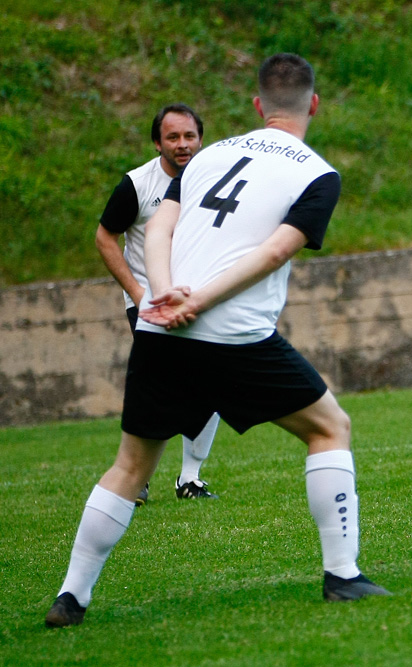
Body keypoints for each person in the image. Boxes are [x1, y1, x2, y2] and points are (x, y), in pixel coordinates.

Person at [45, 53, 390, 628]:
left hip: (161, 330)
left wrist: (163, 293)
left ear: (256, 105)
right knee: (330, 429)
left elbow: (158, 224)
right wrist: (200, 302)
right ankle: (343, 577)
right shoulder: (317, 174)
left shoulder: (210, 155)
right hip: (235, 338)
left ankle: (71, 597)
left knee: (129, 467)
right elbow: (277, 250)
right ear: (315, 104)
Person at [96, 103, 220, 504]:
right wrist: (136, 293)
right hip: (150, 304)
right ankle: (137, 478)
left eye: (189, 136)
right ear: (157, 143)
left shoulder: (214, 178)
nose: (183, 145)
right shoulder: (136, 185)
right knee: (159, 390)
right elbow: (105, 237)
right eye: (173, 137)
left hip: (199, 300)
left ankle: (190, 479)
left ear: (200, 139)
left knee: (210, 385)